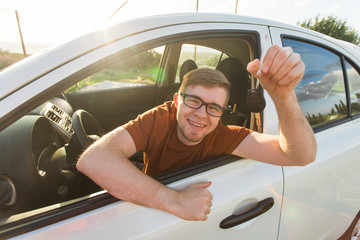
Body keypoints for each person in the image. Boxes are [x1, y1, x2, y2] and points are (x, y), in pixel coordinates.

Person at [76, 45, 317, 221]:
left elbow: (299, 155)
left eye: (214, 107)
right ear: (176, 101)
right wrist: (174, 200)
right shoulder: (160, 118)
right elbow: (93, 159)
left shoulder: (222, 135)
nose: (202, 114)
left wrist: (284, 96)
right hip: (148, 215)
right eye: (193, 101)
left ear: (223, 112)